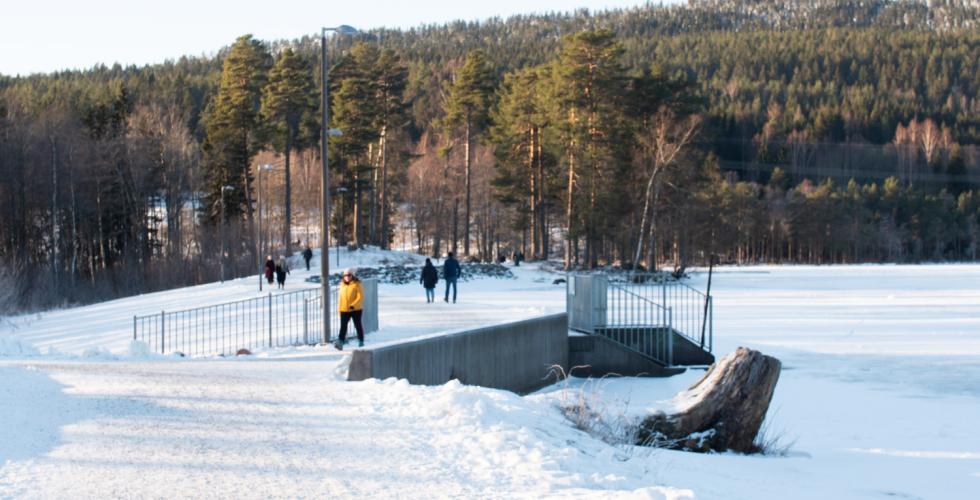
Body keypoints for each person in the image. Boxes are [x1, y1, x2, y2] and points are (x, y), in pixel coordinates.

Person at [334, 268, 365, 350]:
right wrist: (340, 309)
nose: (347, 277)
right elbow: (340, 298)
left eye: (349, 275)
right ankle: (340, 342)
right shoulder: (342, 285)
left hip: (355, 309)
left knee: (357, 325)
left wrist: (353, 305)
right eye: (345, 275)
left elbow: (360, 296)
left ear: (352, 275)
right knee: (343, 326)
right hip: (344, 309)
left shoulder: (356, 284)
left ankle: (361, 341)